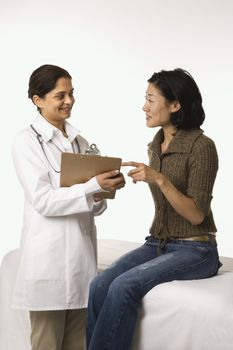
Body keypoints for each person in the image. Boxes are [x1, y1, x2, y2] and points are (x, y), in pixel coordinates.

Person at [86, 68, 222, 350]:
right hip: (158, 243)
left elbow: (196, 214)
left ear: (175, 105)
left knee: (124, 286)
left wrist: (159, 179)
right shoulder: (156, 145)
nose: (144, 107)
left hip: (196, 249)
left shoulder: (202, 146)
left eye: (151, 99)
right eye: (145, 98)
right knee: (99, 286)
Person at [11, 64, 125, 350]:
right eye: (60, 95)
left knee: (78, 345)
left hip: (81, 264)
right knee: (47, 344)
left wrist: (104, 190)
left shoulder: (81, 142)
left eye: (71, 94)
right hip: (47, 265)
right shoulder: (26, 142)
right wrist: (92, 187)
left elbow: (94, 209)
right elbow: (43, 200)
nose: (69, 101)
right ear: (38, 100)